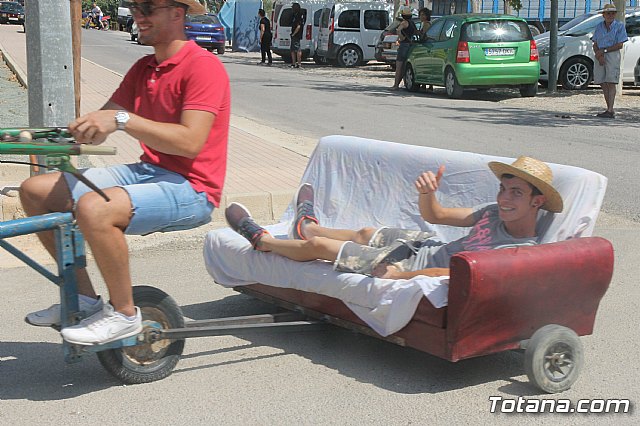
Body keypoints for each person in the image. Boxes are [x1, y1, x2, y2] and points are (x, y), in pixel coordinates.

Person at [19, 0, 230, 346]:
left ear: (177, 13)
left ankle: (125, 316)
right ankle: (84, 299)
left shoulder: (203, 67)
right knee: (35, 191)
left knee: (93, 207)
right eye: (134, 7)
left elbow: (190, 142)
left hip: (193, 188)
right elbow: (104, 123)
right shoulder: (144, 68)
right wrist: (79, 130)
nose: (138, 16)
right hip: (151, 171)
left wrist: (122, 121)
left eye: (148, 8)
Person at [225, 156, 563, 279]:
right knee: (365, 231)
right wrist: (427, 193)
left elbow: (452, 273)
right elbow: (438, 215)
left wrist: (400, 278)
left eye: (515, 193)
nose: (503, 199)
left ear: (538, 202)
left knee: (319, 247)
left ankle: (264, 241)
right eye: (503, 190)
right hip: (425, 247)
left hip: (415, 267)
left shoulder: (516, 251)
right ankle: (307, 223)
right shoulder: (491, 214)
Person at [591, 4, 628, 119]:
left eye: (612, 13)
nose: (610, 15)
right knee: (602, 82)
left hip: (612, 54)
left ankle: (610, 109)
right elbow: (595, 43)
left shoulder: (619, 26)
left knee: (611, 81)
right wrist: (599, 54)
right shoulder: (599, 27)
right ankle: (608, 108)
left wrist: (604, 51)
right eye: (608, 13)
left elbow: (620, 44)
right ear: (603, 15)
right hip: (600, 55)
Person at [391, 6, 418, 90]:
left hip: (404, 45)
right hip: (411, 45)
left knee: (399, 65)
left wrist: (401, 37)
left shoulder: (404, 23)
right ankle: (402, 83)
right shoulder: (412, 23)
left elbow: (398, 30)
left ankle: (396, 85)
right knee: (405, 66)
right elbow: (416, 32)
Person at [290, 2, 304, 68]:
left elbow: (298, 26)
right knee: (292, 49)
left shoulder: (299, 15)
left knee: (297, 49)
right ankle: (293, 63)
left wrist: (294, 34)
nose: (292, 8)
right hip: (293, 34)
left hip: (296, 35)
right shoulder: (294, 15)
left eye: (293, 7)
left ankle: (299, 64)